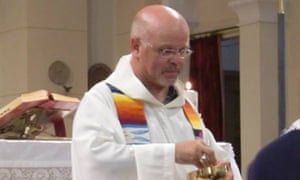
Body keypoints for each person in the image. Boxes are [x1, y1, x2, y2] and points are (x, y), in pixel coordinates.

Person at [72, 4, 242, 180]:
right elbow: (95, 163)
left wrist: (221, 175)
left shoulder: (184, 107)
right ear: (136, 47)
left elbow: (216, 162)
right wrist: (172, 154)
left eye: (183, 51)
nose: (177, 60)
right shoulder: (101, 101)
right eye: (166, 51)